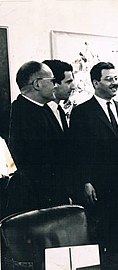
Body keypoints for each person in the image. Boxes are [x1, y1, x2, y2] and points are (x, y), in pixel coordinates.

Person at [69, 62, 118, 252]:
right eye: (109, 79)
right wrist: (85, 181)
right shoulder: (81, 112)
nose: (114, 83)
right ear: (95, 83)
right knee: (100, 238)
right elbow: (76, 153)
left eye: (116, 78)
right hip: (98, 187)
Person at [8, 61, 69, 211]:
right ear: (37, 84)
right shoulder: (15, 115)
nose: (55, 85)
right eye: (52, 81)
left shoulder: (45, 109)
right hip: (34, 201)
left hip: (55, 194)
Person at [42, 59, 76, 200]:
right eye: (68, 82)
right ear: (54, 84)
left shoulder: (59, 110)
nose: (73, 86)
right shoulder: (40, 113)